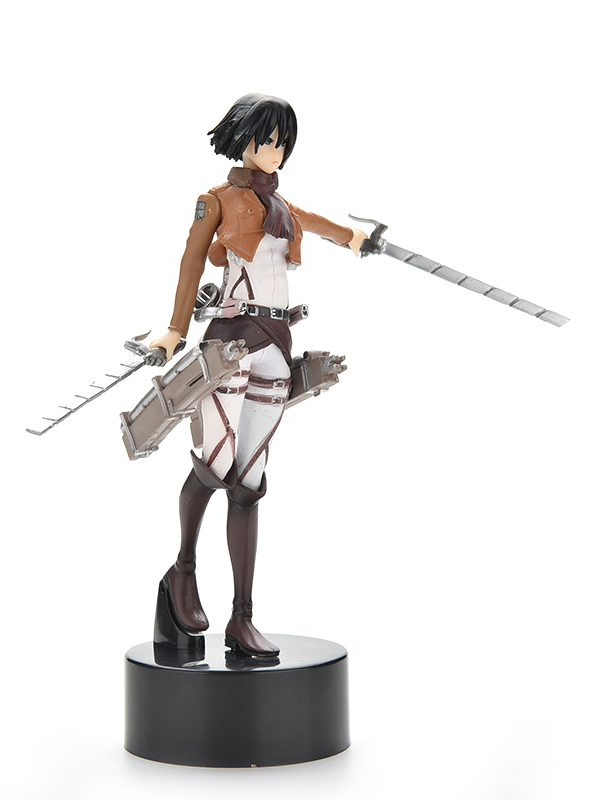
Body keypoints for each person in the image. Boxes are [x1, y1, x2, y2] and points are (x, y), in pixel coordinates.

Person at [149, 94, 366, 657]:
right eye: (266, 140)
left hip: (275, 340)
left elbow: (319, 225)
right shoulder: (216, 200)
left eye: (281, 142)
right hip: (231, 340)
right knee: (215, 465)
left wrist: (354, 238)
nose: (275, 150)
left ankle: (241, 618)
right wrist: (174, 329)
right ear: (241, 140)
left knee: (249, 481)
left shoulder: (282, 206)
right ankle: (183, 570)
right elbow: (191, 262)